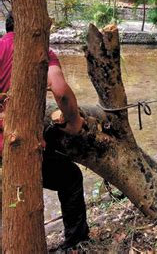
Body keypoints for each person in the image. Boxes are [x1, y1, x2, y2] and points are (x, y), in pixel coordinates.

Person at [0, 13, 89, 250]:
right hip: (20, 147)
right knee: (71, 178)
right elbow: (60, 91)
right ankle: (75, 242)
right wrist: (74, 123)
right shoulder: (41, 52)